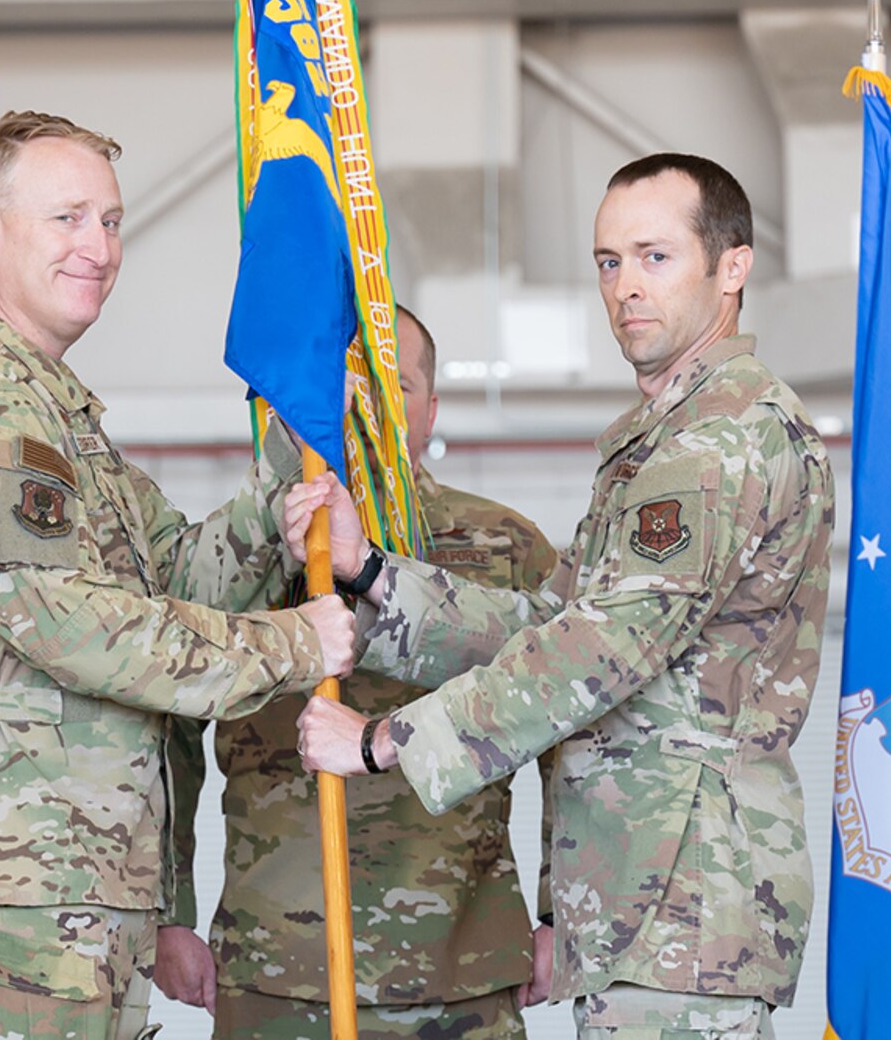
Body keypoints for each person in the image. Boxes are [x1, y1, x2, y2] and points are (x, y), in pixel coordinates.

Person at [294, 154, 835, 1040]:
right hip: (646, 903)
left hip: (684, 906)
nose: (626, 286)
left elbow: (596, 654)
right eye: (609, 261)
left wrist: (387, 740)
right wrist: (371, 575)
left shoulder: (721, 443)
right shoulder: (663, 441)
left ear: (731, 267)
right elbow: (547, 625)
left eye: (656, 257)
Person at [0, 110, 357, 1040]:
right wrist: (294, 644)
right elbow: (69, 624)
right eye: (67, 219)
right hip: (13, 879)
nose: (98, 246)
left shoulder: (54, 410)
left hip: (77, 872)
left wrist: (273, 508)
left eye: (112, 220)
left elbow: (170, 573)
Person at [156, 305, 561, 1039]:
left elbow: (570, 727)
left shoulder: (505, 546)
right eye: (344, 386)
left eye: (394, 386)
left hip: (462, 969)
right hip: (278, 971)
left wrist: (563, 911)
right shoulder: (241, 551)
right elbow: (169, 721)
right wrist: (169, 910)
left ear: (432, 410)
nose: (366, 408)